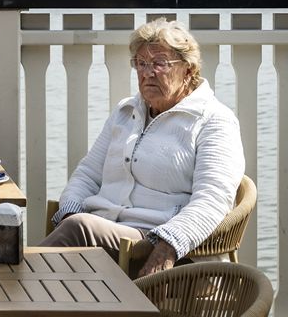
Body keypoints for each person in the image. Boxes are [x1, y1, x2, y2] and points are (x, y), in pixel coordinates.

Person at [39, 18, 244, 279]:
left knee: (77, 231)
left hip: (153, 243)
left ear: (188, 70)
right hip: (107, 233)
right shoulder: (126, 111)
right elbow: (88, 174)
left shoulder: (214, 121)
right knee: (71, 227)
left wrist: (168, 245)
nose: (148, 72)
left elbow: (213, 200)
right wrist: (70, 210)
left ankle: (5, 291)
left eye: (159, 64)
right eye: (141, 63)